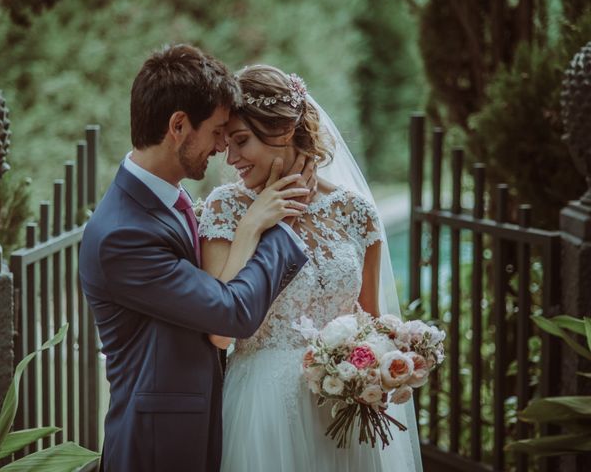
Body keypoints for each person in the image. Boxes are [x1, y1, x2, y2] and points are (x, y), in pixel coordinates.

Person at [78, 46, 313, 472]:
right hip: (159, 447)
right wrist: (274, 228)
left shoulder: (174, 198)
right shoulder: (121, 235)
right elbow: (231, 311)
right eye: (219, 131)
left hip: (201, 424)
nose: (223, 146)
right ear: (179, 126)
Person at [198, 65, 423, 471]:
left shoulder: (356, 212)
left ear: (283, 130)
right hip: (263, 409)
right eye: (226, 143)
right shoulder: (226, 208)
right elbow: (218, 330)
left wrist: (379, 369)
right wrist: (253, 225)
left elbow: (370, 322)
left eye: (241, 141)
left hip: (343, 409)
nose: (230, 158)